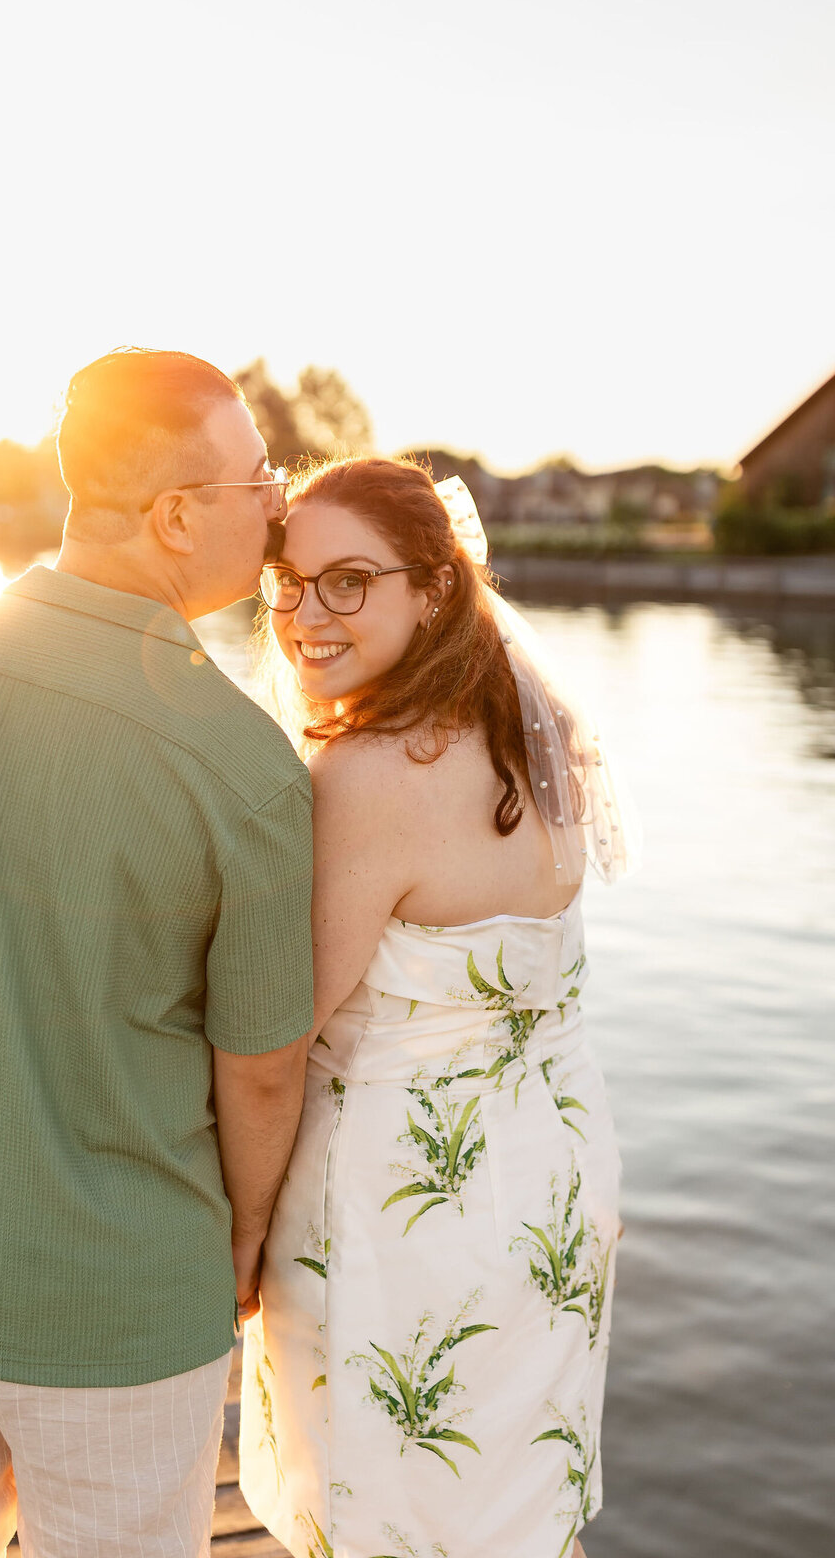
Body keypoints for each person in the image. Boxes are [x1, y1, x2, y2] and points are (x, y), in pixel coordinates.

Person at [0, 348, 313, 1558]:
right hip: (118, 1304)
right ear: (178, 515)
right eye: (259, 481)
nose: (279, 504)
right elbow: (264, 1070)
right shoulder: (242, 768)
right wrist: (235, 1253)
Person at [239, 458, 638, 1558]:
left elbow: (277, 1039)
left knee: (384, 1517)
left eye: (348, 581)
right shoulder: (539, 733)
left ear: (434, 589)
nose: (304, 616)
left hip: (400, 1212)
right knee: (505, 1513)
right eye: (287, 581)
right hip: (550, 1193)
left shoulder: (367, 775)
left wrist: (232, 1239)